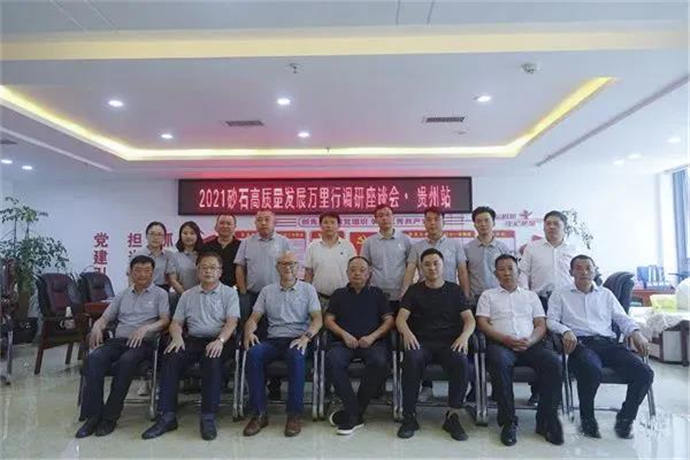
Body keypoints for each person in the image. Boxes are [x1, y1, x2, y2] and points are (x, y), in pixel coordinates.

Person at [547, 255, 654, 439]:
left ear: (595, 271)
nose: (584, 272)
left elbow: (622, 318)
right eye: (579, 268)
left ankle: (625, 419)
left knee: (644, 373)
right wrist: (565, 331)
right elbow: (551, 320)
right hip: (580, 344)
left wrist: (636, 333)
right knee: (591, 369)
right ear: (571, 272)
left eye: (588, 268)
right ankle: (587, 419)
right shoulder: (560, 294)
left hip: (608, 344)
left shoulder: (606, 294)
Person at [142, 252, 240, 441]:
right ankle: (167, 415)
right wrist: (177, 338)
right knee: (171, 357)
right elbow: (176, 323)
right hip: (193, 339)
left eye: (213, 268)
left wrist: (220, 341)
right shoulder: (188, 295)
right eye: (204, 267)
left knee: (211, 360)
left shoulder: (229, 293)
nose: (208, 271)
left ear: (220, 272)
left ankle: (208, 416)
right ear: (198, 271)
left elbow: (232, 322)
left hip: (220, 339)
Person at [76, 255, 170, 438]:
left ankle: (110, 417)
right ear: (131, 272)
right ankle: (93, 416)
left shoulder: (160, 294)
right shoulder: (122, 295)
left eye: (147, 271)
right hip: (119, 341)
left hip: (144, 343)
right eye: (138, 270)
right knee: (94, 359)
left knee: (126, 362)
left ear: (153, 273)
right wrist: (97, 326)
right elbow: (105, 317)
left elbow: (165, 320)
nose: (142, 274)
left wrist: (146, 328)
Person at [476, 254, 563, 446]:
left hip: (530, 344)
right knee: (499, 363)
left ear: (518, 271)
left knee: (553, 363)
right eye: (501, 269)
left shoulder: (531, 296)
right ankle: (508, 422)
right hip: (501, 344)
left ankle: (546, 421)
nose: (506, 273)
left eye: (510, 268)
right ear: (495, 274)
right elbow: (482, 323)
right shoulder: (487, 295)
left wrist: (530, 340)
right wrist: (505, 339)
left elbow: (540, 324)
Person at [395, 248, 475, 441]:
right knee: (411, 359)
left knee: (461, 361)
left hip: (449, 343)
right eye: (427, 264)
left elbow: (469, 319)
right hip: (422, 342)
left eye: (436, 263)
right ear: (421, 268)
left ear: (443, 265)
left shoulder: (454, 290)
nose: (432, 268)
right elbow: (401, 318)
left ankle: (453, 415)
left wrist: (464, 336)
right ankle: (409, 416)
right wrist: (406, 333)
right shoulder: (414, 290)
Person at [242, 251, 323, 438]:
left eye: (292, 264)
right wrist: (249, 331)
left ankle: (294, 415)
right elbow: (254, 318)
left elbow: (317, 319)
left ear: (298, 268)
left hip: (298, 339)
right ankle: (259, 413)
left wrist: (306, 337)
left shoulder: (308, 289)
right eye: (283, 264)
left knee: (296, 356)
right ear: (277, 267)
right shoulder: (267, 291)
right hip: (273, 340)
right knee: (253, 354)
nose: (288, 267)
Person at [401, 206, 470, 400]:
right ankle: (425, 388)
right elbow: (410, 271)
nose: (432, 223)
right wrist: (405, 295)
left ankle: (457, 402)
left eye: (436, 219)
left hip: (450, 299)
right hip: (423, 299)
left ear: (443, 222)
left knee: (455, 348)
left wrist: (465, 297)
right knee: (419, 342)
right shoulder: (417, 246)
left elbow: (462, 271)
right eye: (428, 219)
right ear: (424, 223)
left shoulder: (455, 245)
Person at [324, 256, 394, 435]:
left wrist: (372, 337)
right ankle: (355, 413)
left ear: (369, 273)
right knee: (332, 361)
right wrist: (344, 334)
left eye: (362, 270)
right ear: (347, 273)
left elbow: (388, 320)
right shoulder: (339, 294)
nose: (357, 273)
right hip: (343, 343)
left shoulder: (377, 294)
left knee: (379, 362)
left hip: (372, 343)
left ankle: (353, 412)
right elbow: (329, 320)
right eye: (353, 270)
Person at [518, 210, 577, 405]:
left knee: (563, 344)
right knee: (541, 347)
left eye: (556, 224)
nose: (551, 227)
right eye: (548, 223)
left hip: (567, 304)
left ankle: (559, 392)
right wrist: (526, 297)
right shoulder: (532, 248)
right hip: (539, 301)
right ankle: (537, 391)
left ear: (564, 227)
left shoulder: (574, 249)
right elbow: (523, 273)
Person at [235, 209, 291, 400]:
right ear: (255, 223)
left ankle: (275, 386)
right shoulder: (246, 243)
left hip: (278, 296)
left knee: (275, 338)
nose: (263, 223)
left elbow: (290, 267)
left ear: (274, 222)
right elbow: (240, 268)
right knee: (254, 339)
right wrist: (243, 292)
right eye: (259, 220)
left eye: (267, 219)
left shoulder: (283, 242)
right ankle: (254, 386)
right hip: (253, 296)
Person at [360, 204, 412, 312]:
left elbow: (411, 266)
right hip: (376, 293)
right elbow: (364, 268)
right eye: (380, 216)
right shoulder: (369, 242)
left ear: (393, 217)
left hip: (401, 294)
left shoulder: (406, 240)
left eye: (388, 215)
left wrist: (407, 289)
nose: (384, 218)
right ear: (375, 220)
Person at [304, 212, 356, 309]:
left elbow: (354, 271)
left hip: (344, 297)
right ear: (320, 225)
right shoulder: (313, 246)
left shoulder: (348, 246)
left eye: (332, 222)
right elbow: (308, 273)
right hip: (319, 297)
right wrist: (307, 295)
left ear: (338, 225)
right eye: (326, 222)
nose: (329, 226)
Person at [464, 206, 511, 303]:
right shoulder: (467, 249)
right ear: (474, 225)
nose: (483, 224)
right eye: (479, 221)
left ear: (493, 223)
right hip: (476, 298)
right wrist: (467, 296)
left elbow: (509, 274)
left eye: (486, 220)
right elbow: (464, 274)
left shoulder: (503, 248)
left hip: (499, 297)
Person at [130, 221, 176, 292]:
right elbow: (131, 278)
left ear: (164, 237)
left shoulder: (169, 255)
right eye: (152, 234)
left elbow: (172, 279)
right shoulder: (137, 255)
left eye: (159, 235)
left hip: (162, 290)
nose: (155, 238)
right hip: (141, 289)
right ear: (146, 236)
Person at [169, 221, 203, 307]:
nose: (188, 236)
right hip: (181, 297)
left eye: (192, 233)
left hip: (203, 297)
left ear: (197, 236)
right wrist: (186, 296)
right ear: (180, 235)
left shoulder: (204, 255)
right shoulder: (174, 256)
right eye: (185, 233)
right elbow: (173, 280)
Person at [201, 214, 241, 288]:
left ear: (234, 227)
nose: (225, 226)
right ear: (216, 227)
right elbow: (201, 268)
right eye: (222, 223)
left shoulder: (242, 246)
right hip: (210, 289)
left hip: (235, 289)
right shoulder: (206, 247)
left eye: (228, 224)